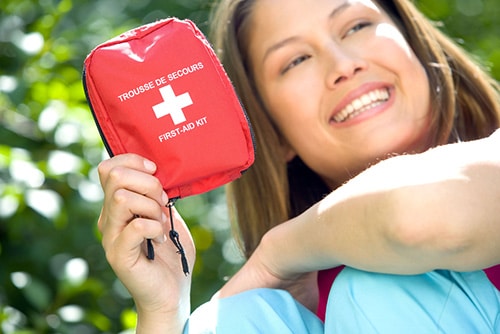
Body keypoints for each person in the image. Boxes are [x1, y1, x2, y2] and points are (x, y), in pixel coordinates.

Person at [96, 0, 500, 332]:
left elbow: (420, 218)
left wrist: (280, 251)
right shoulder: (280, 314)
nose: (343, 65)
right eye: (297, 60)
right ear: (273, 130)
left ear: (414, 42)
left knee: (376, 286)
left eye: (356, 25)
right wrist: (165, 313)